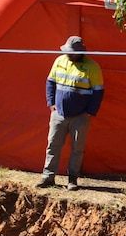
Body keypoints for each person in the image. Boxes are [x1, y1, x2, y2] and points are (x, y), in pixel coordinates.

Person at [36, 36, 104, 191]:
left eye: (72, 52)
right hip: (58, 113)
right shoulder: (59, 61)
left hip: (80, 116)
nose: (68, 54)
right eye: (67, 51)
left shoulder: (92, 67)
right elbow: (50, 83)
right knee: (53, 144)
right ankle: (48, 177)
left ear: (80, 52)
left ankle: (72, 180)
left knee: (77, 148)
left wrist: (89, 112)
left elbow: (98, 92)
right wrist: (51, 104)